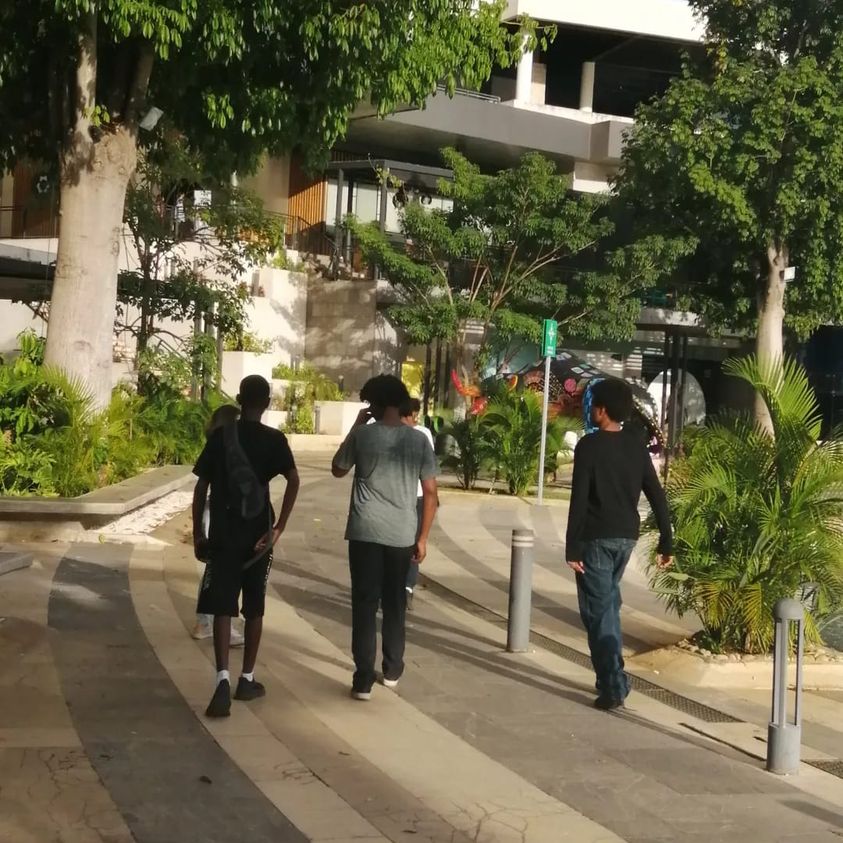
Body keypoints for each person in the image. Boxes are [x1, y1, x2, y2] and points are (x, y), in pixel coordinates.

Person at [192, 375, 300, 718]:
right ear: (267, 402)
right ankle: (247, 678)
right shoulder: (274, 439)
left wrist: (198, 532)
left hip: (223, 531)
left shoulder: (222, 436)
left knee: (223, 605)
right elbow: (294, 479)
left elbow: (201, 487)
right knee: (255, 606)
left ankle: (222, 678)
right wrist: (279, 526)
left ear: (239, 399)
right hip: (259, 534)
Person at [565, 378, 672, 711]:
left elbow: (579, 500)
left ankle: (614, 685)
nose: (591, 408)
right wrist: (667, 541)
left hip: (596, 539)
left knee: (598, 614)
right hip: (626, 537)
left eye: (594, 403)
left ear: (603, 410)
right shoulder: (635, 445)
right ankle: (607, 675)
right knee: (608, 604)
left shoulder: (589, 447)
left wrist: (572, 547)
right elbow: (656, 493)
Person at [332, 375, 438, 700]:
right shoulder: (419, 440)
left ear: (376, 404)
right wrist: (423, 538)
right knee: (394, 603)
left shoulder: (363, 435)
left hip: (365, 531)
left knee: (364, 604)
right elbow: (431, 495)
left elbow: (338, 468)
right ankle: (392, 671)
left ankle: (363, 678)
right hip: (402, 532)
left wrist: (355, 426)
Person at [192, 403, 245, 647]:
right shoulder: (223, 445)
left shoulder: (218, 444)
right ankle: (208, 622)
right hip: (220, 513)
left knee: (217, 569)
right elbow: (202, 485)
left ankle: (207, 620)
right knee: (220, 569)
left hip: (218, 511)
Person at [399, 397, 437, 610]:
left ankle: (403, 587)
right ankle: (407, 587)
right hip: (419, 495)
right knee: (415, 544)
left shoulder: (420, 434)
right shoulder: (424, 434)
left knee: (403, 544)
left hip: (409, 496)